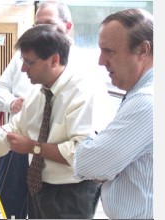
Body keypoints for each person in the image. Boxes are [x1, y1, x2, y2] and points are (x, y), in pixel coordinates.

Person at [0, 24, 109, 219]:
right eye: (23, 61)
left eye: (29, 62)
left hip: (71, 191)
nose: (23, 69)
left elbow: (81, 152)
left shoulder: (83, 92)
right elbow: (15, 128)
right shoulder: (39, 92)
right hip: (39, 186)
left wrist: (33, 147)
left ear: (54, 60)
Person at [0, 1, 73, 218]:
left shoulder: (80, 67)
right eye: (37, 25)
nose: (42, 31)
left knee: (41, 209)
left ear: (68, 27)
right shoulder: (21, 56)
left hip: (54, 156)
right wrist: (11, 103)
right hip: (17, 141)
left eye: (49, 24)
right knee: (6, 204)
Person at [74, 8, 153, 219]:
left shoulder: (146, 102)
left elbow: (88, 163)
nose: (101, 61)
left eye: (109, 51)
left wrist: (100, 157)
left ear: (143, 51)